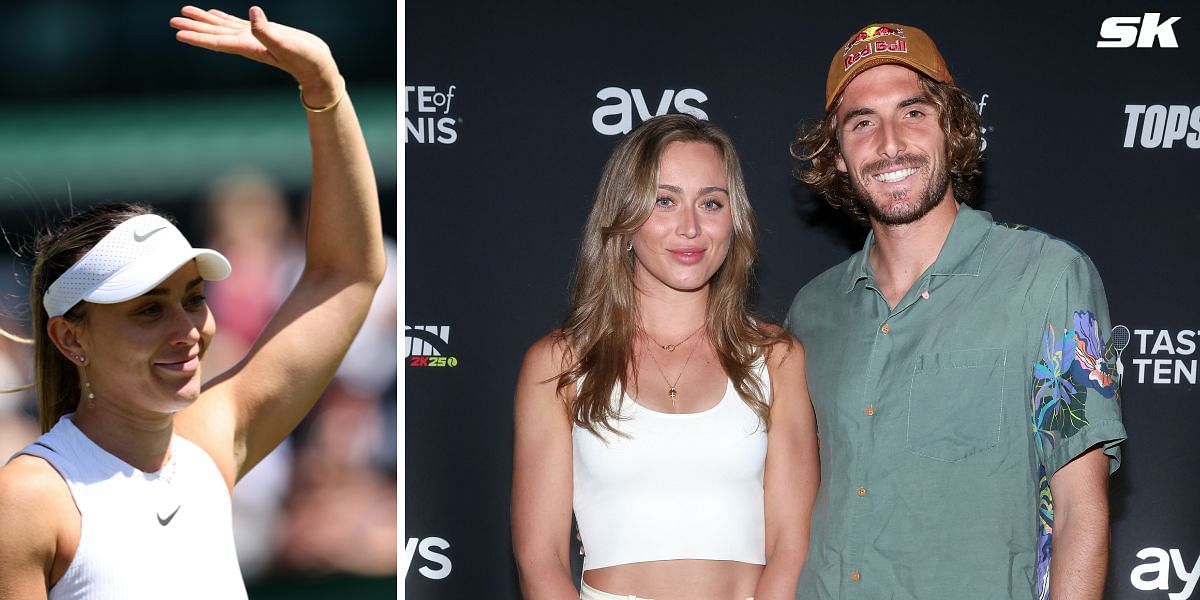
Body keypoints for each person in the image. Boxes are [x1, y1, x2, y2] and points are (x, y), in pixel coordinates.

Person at [0, 6, 385, 599]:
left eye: (194, 298)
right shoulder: (30, 497)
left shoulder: (208, 446)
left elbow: (348, 275)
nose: (187, 328)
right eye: (148, 309)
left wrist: (324, 87)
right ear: (71, 337)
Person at [786, 23, 1127, 600]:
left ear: (953, 129)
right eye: (861, 122)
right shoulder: (813, 311)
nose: (889, 142)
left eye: (913, 112)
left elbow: (1078, 510)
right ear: (838, 157)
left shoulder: (1044, 277)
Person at [511, 113, 818, 600]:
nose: (691, 227)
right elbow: (540, 557)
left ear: (733, 219)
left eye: (711, 203)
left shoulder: (776, 358)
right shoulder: (559, 364)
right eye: (665, 201)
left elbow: (791, 547)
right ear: (625, 216)